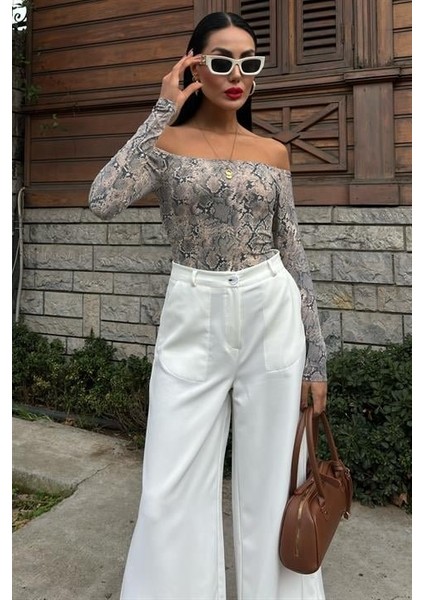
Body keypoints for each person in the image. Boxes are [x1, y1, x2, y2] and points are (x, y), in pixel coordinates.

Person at [89, 11, 327, 600]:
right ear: (194, 66)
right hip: (194, 312)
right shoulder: (165, 143)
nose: (237, 74)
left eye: (249, 62)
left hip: (271, 308)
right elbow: (102, 199)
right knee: (168, 485)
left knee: (276, 479)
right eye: (222, 61)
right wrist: (161, 109)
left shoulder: (272, 152)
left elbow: (293, 252)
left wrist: (316, 358)